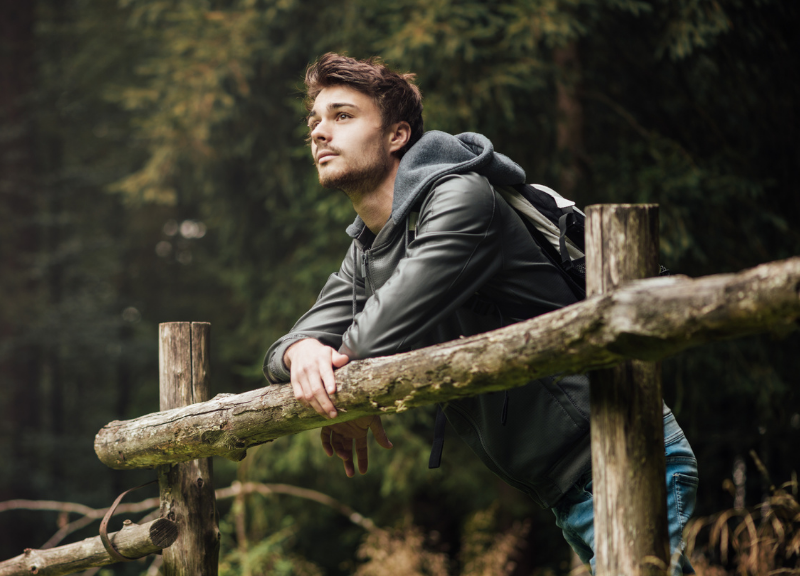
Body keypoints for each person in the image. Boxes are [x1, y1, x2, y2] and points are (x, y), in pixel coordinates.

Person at [261, 52, 699, 574]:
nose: (319, 133)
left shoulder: (462, 198)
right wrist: (302, 350)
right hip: (571, 480)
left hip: (621, 449)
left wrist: (339, 389)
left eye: (343, 116)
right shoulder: (369, 247)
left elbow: (381, 328)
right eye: (315, 121)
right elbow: (284, 350)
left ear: (397, 135)